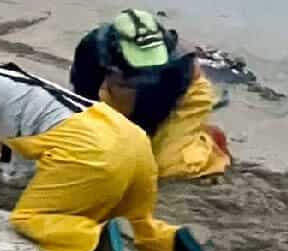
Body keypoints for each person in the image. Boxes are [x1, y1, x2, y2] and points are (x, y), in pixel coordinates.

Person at [0, 36, 239, 251]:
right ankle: (176, 243)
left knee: (30, 218)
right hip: (129, 139)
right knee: (135, 220)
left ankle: (97, 238)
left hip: (88, 151)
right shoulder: (1, 74)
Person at [69, 9, 231, 182]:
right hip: (119, 93)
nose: (147, 73)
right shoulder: (90, 53)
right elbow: (82, 98)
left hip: (183, 95)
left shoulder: (176, 68)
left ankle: (210, 143)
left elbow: (150, 114)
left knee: (171, 168)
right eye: (138, 70)